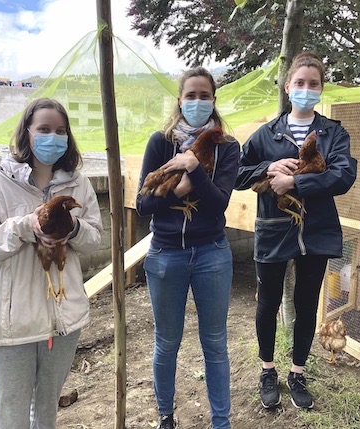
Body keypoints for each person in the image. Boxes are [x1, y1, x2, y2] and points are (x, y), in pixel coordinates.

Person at [0, 98, 103, 429]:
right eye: (44, 129)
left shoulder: (78, 183)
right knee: (11, 413)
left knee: (47, 407)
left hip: (63, 318)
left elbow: (95, 238)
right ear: (27, 133)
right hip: (14, 322)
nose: (53, 136)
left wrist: (74, 228)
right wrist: (26, 227)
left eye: (60, 131)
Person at [234, 52, 357, 410]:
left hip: (316, 231)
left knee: (306, 305)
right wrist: (268, 166)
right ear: (288, 88)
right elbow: (238, 175)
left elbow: (343, 175)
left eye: (313, 84)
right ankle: (267, 370)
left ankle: (298, 372)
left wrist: (295, 182)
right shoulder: (266, 134)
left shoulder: (333, 133)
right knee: (268, 303)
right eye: (299, 83)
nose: (306, 89)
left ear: (321, 88)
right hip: (274, 229)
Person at [136, 66, 240, 429]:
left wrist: (194, 169)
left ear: (214, 100)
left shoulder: (227, 147)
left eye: (204, 95)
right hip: (166, 254)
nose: (197, 101)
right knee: (166, 342)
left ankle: (221, 422)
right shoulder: (159, 142)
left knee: (214, 342)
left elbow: (218, 204)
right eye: (191, 95)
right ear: (179, 100)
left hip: (212, 252)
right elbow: (144, 204)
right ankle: (166, 416)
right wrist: (176, 192)